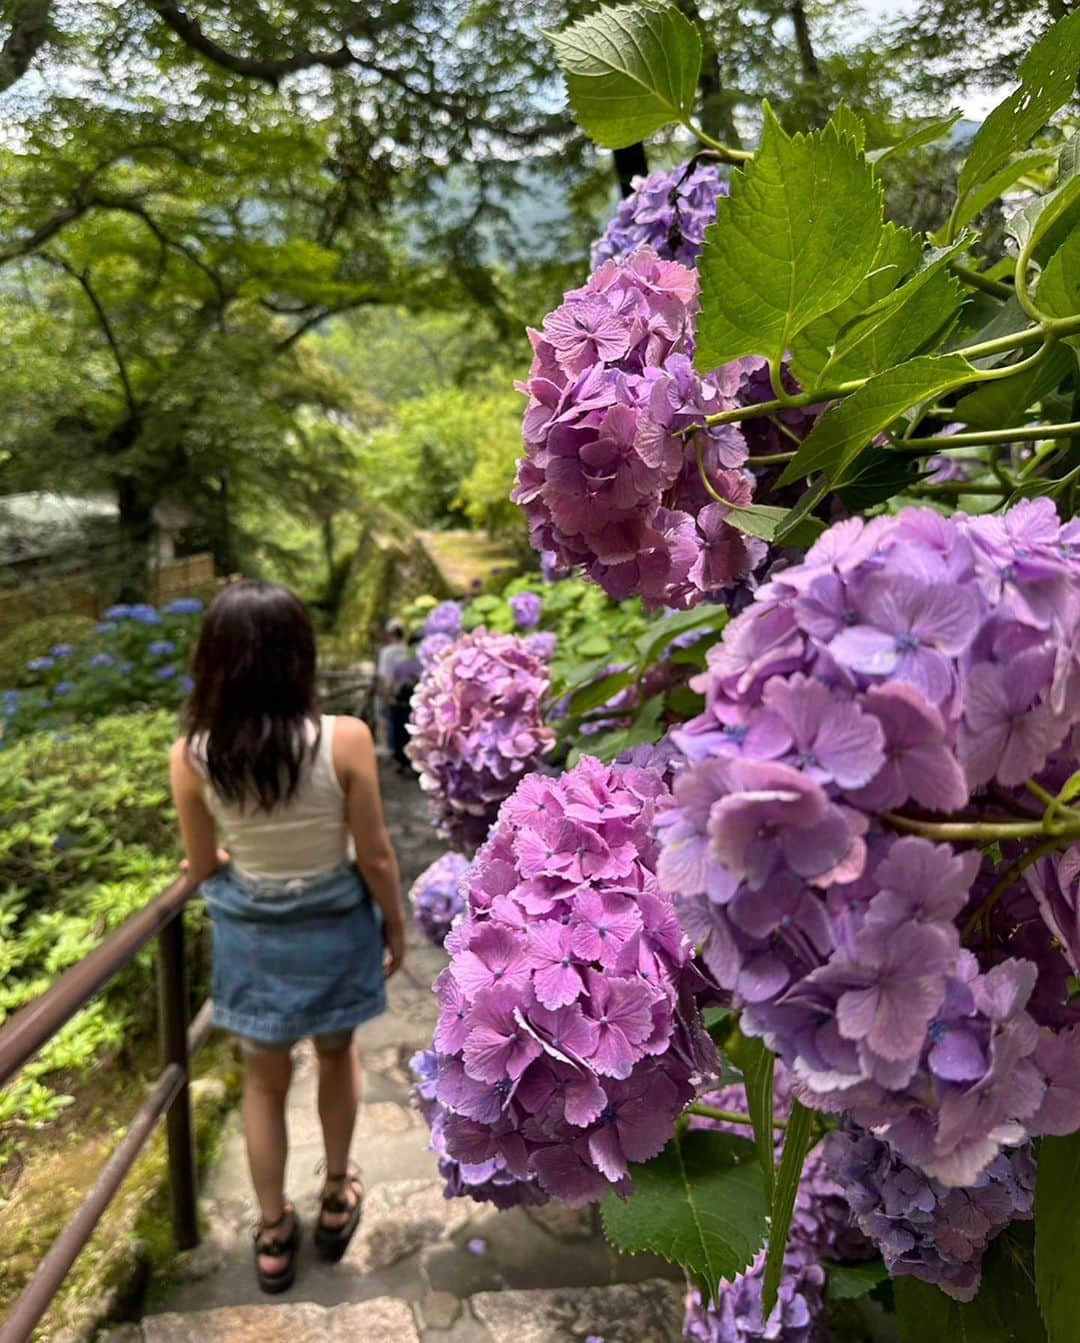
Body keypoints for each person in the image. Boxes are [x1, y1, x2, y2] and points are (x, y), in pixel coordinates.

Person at [169, 580, 406, 1294]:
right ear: (299, 656)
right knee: (337, 1054)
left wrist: (232, 856)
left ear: (213, 662)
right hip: (334, 927)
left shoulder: (192, 755)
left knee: (264, 1083)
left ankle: (273, 1232)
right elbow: (376, 856)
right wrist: (394, 922)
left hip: (253, 938)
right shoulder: (346, 739)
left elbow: (203, 859)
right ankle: (337, 1193)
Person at [375, 618, 408, 751]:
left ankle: (387, 748)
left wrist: (383, 695)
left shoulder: (386, 652)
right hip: (404, 693)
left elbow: (384, 676)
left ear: (390, 634)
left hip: (390, 691)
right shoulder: (407, 650)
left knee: (385, 720)